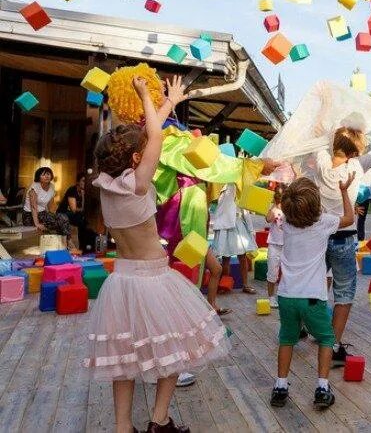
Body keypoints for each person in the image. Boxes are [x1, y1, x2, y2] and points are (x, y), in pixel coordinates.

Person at [86, 74, 229, 433]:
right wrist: (153, 98)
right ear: (137, 159)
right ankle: (159, 420)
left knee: (124, 359)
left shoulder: (104, 185)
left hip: (122, 281)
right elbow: (157, 135)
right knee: (173, 352)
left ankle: (123, 427)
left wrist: (154, 103)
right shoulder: (137, 184)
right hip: (154, 280)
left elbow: (129, 143)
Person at [310, 126, 371, 367]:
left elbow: (319, 132)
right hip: (344, 239)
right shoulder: (355, 167)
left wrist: (326, 105)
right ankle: (334, 345)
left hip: (319, 236)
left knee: (316, 288)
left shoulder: (322, 162)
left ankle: (313, 330)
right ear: (353, 153)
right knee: (344, 293)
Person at [270, 174, 355, 410]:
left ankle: (280, 386)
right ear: (316, 204)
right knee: (327, 338)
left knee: (287, 339)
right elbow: (350, 218)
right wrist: (344, 191)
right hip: (312, 298)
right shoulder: (323, 222)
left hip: (286, 296)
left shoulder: (285, 222)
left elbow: (276, 211)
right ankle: (322, 388)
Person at [209, 182, 258, 296]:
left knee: (242, 256)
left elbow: (244, 208)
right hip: (226, 225)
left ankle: (245, 284)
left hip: (238, 223)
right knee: (226, 257)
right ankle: (224, 285)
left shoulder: (239, 186)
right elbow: (220, 207)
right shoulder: (221, 187)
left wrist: (250, 229)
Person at [22, 166, 72, 245]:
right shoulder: (34, 187)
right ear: (38, 177)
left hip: (43, 214)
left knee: (63, 218)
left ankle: (64, 244)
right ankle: (67, 244)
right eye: (43, 175)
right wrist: (37, 224)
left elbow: (50, 205)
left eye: (48, 174)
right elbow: (33, 207)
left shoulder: (52, 186)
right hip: (30, 216)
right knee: (61, 221)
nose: (46, 176)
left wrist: (56, 215)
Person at [57, 171, 97, 252]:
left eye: (87, 181)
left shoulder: (86, 191)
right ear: (78, 182)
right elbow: (74, 209)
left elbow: (85, 208)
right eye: (83, 181)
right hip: (63, 214)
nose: (85, 183)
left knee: (86, 222)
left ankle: (86, 246)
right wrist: (82, 196)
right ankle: (81, 245)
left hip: (76, 215)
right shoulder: (72, 190)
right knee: (82, 220)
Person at [266, 185, 285, 308]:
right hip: (274, 244)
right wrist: (274, 206)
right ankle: (271, 297)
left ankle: (283, 296)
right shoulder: (273, 209)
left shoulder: (290, 209)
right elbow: (268, 219)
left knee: (287, 273)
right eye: (278, 195)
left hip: (288, 245)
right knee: (272, 272)